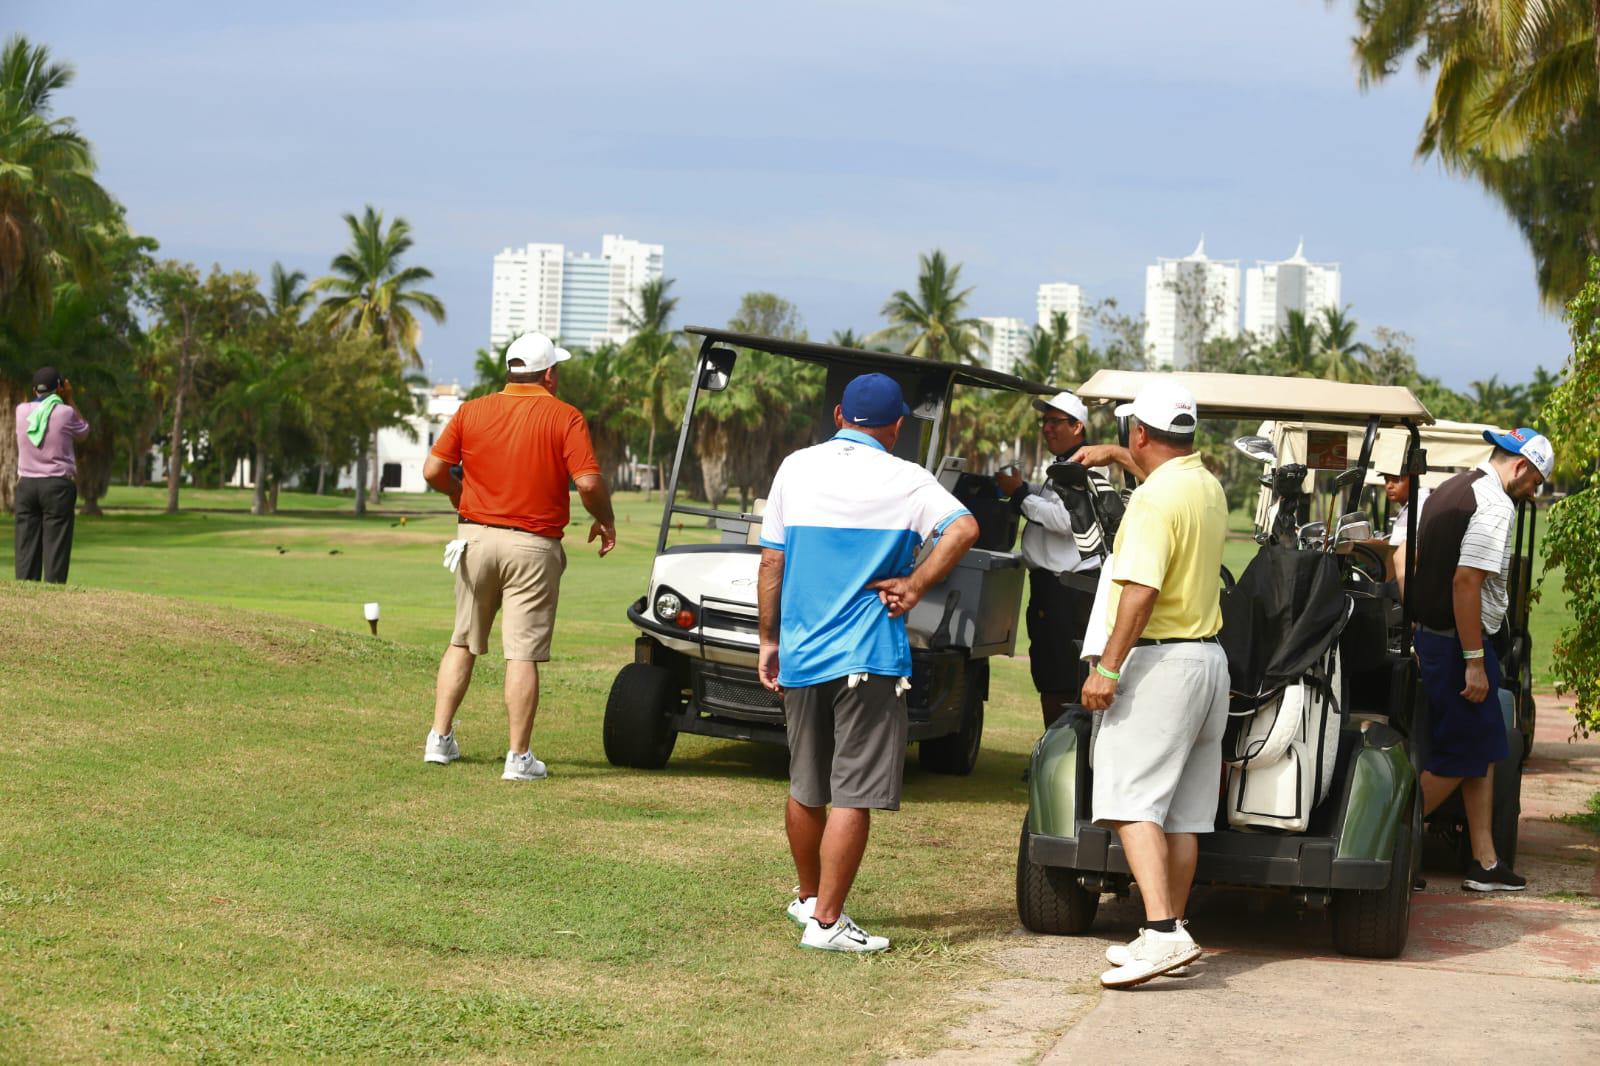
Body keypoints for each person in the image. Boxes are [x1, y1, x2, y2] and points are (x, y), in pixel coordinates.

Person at [756, 373, 979, 953]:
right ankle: (828, 924)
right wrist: (916, 583)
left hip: (803, 650)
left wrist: (767, 642)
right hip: (869, 655)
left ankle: (809, 900)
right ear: (897, 426)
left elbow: (771, 563)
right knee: (851, 792)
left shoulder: (795, 467)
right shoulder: (908, 479)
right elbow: (964, 529)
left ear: (838, 414)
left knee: (807, 786)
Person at [1076, 380, 1230, 989]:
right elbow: (1161, 489)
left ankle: (1163, 932)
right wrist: (1118, 460)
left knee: (1128, 800)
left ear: (1139, 432)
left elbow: (1140, 591)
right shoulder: (1206, 484)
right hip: (1207, 662)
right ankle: (1168, 928)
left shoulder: (1151, 502)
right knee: (1184, 814)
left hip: (1160, 663)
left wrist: (1107, 667)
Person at [420, 332, 617, 781]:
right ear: (549, 374)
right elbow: (587, 483)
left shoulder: (471, 410)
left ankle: (439, 739)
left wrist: (457, 491)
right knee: (522, 653)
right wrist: (606, 520)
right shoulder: (564, 416)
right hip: (532, 545)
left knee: (461, 641)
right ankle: (518, 758)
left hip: (473, 540)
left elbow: (433, 470)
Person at [1411, 427, 1551, 892]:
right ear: (1521, 467)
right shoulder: (1493, 505)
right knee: (1458, 757)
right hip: (1459, 646)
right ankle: (1392, 842)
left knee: (1484, 749)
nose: (1534, 491)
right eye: (1536, 481)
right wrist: (1474, 660)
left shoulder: (1452, 487)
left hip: (1443, 640)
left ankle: (1484, 861)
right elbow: (1466, 581)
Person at [995, 391, 1120, 727]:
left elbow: (1067, 520)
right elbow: (1052, 499)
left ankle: (1067, 750)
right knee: (1050, 672)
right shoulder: (1064, 467)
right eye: (1044, 422)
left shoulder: (1083, 467)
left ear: (1077, 426)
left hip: (1067, 589)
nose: (1046, 429)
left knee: (1062, 675)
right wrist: (1023, 488)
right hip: (1053, 588)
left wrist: (1020, 493)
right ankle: (1059, 748)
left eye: (1055, 422)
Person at [14, 367, 90, 584]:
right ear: (59, 387)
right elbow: (84, 431)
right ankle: (53, 596)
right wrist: (70, 399)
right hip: (57, 486)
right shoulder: (65, 412)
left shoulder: (21, 411)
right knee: (56, 546)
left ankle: (25, 592)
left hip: (27, 485)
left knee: (26, 545)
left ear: (33, 390)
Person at [1380, 460, 1429, 594]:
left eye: (1395, 480)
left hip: (1406, 584)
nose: (1389, 486)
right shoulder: (1410, 506)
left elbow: (1404, 549)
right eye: (1386, 480)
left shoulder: (1419, 506)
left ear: (1413, 480)